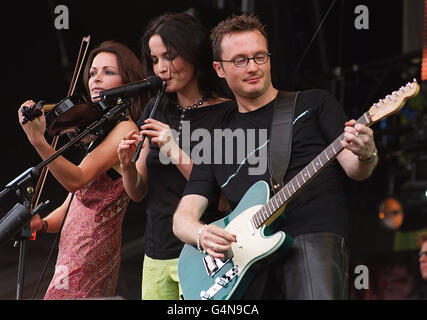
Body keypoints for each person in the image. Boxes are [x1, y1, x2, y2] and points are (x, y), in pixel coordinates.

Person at [172, 14, 379, 300]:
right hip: (245, 259)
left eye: (260, 57)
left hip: (312, 232)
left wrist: (367, 155)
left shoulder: (313, 103)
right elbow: (182, 218)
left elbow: (356, 169)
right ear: (219, 69)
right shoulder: (216, 138)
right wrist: (201, 234)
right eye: (240, 60)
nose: (253, 67)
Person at [117, 13, 235, 300]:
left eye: (169, 56)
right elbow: (137, 192)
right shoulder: (155, 110)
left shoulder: (226, 114)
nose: (160, 68)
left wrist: (173, 148)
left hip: (204, 253)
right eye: (154, 60)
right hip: (157, 252)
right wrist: (126, 166)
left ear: (193, 53)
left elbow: (223, 200)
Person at [18, 41, 149, 299]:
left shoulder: (125, 129)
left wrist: (38, 141)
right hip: (73, 254)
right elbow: (73, 204)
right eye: (92, 73)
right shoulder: (103, 131)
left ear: (128, 82)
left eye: (108, 72)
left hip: (90, 251)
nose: (96, 79)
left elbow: (75, 180)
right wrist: (42, 224)